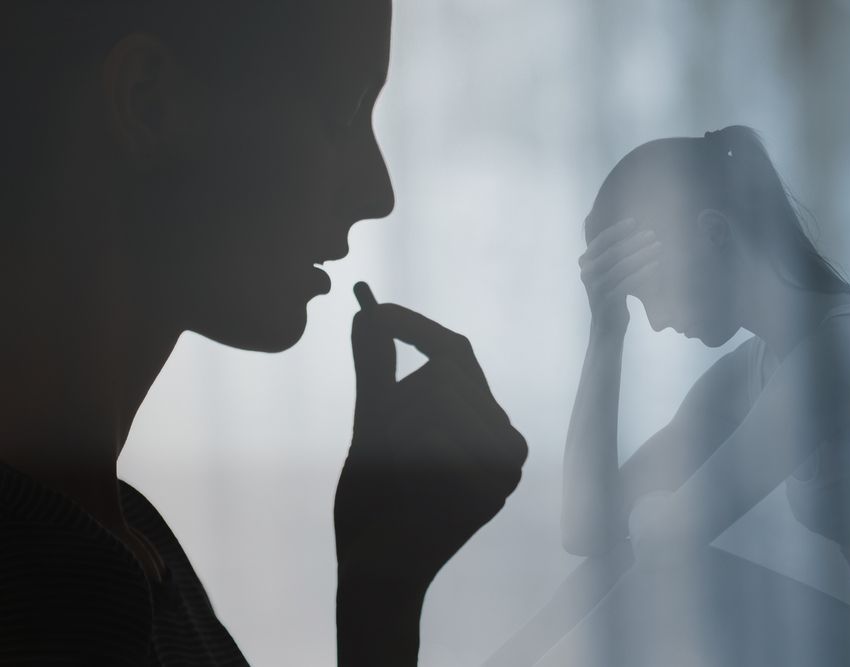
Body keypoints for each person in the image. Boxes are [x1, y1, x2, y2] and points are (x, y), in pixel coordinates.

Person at [0, 2, 526, 665]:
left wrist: (381, 591)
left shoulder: (124, 544)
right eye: (343, 112)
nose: (378, 191)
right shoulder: (48, 584)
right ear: (149, 103)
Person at [555, 127, 850, 666]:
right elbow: (586, 528)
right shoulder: (756, 370)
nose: (659, 321)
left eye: (653, 292)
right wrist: (605, 330)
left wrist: (647, 524)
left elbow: (671, 544)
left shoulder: (849, 353)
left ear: (714, 232)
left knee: (670, 575)